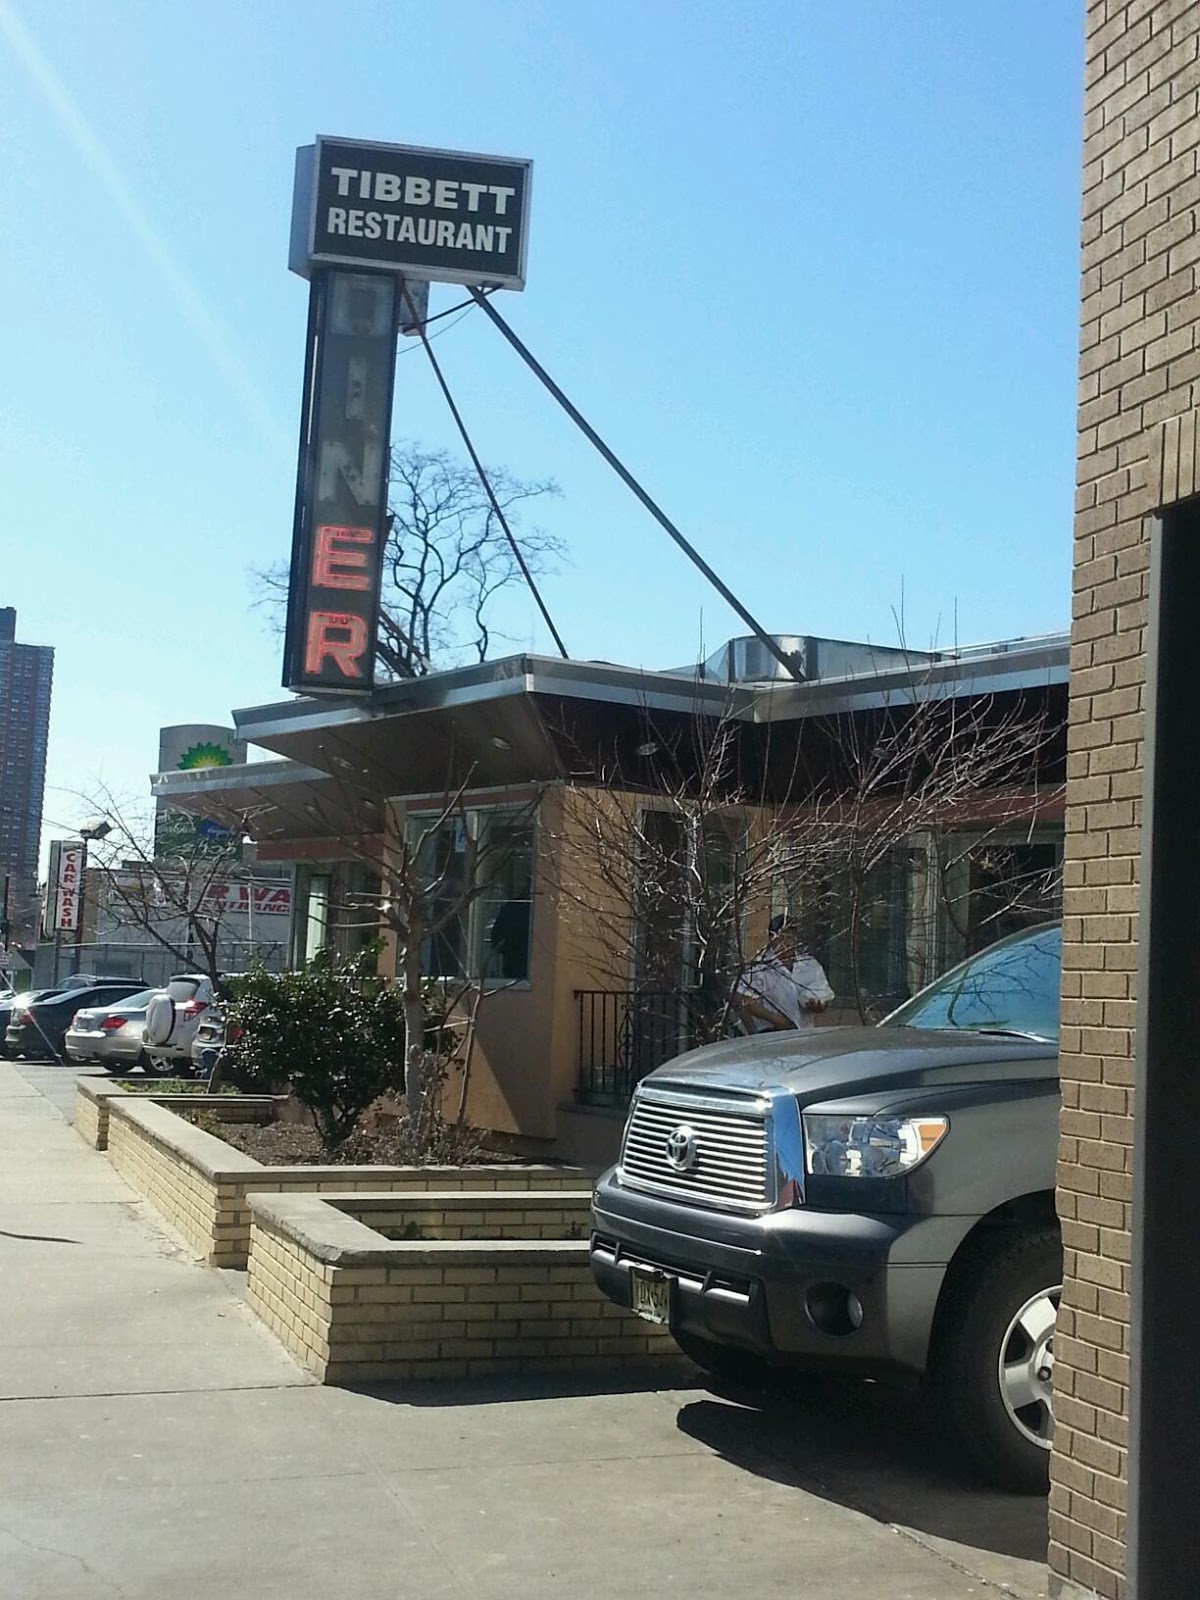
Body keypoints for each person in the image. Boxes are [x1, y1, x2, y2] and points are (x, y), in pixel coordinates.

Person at [735, 915, 834, 1033]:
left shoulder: (810, 965)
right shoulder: (759, 967)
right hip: (771, 1032)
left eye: (789, 937)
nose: (785, 943)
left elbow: (823, 992)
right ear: (772, 938)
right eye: (780, 937)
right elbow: (745, 998)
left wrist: (819, 1006)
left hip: (804, 1033)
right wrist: (774, 1019)